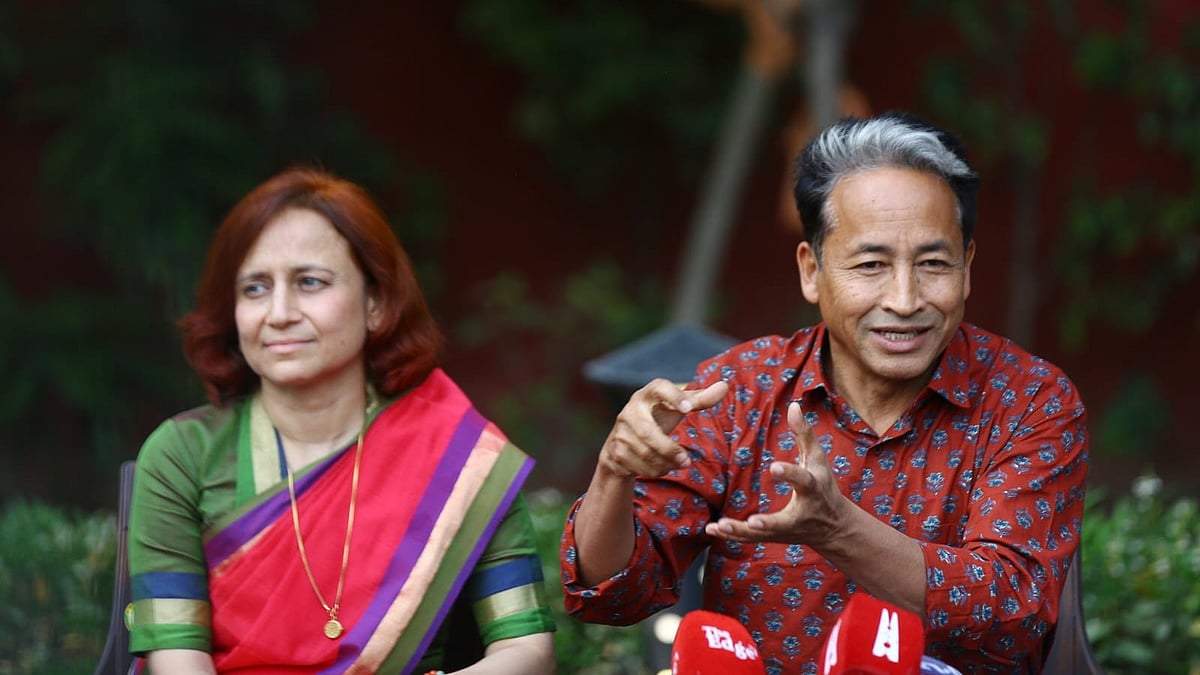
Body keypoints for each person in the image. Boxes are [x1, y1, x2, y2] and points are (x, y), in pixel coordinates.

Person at [560, 112, 1088, 674]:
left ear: (968, 266)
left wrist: (837, 529)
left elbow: (1013, 608)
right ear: (812, 271)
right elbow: (614, 593)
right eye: (872, 265)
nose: (905, 299)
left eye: (934, 264)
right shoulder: (741, 390)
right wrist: (613, 472)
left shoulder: (1028, 399)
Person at [127, 167, 557, 674]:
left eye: (310, 282)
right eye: (255, 289)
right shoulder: (183, 455)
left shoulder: (455, 454)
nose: (279, 313)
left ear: (376, 303)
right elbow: (177, 662)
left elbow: (527, 652)